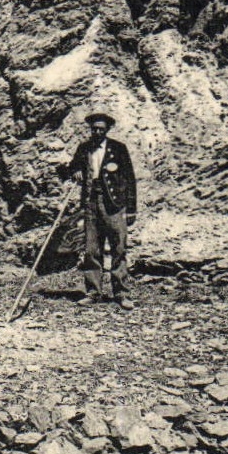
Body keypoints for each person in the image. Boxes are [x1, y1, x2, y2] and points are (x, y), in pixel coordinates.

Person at [60, 111, 137, 309]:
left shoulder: (118, 148)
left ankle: (121, 293)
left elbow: (129, 179)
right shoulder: (84, 148)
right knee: (91, 249)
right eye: (94, 129)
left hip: (114, 204)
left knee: (118, 248)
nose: (97, 132)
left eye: (101, 129)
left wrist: (131, 209)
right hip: (90, 202)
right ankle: (93, 292)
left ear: (107, 129)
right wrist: (75, 171)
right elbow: (72, 168)